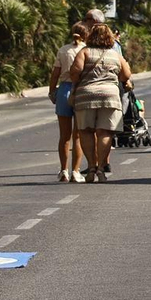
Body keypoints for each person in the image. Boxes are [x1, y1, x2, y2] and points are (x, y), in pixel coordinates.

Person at [69, 23, 131, 183]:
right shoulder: (115, 55)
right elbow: (126, 75)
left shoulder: (84, 52)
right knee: (105, 133)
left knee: (86, 131)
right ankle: (101, 169)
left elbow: (75, 72)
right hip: (110, 96)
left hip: (86, 96)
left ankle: (91, 168)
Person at [49, 22, 89, 182]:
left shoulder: (63, 50)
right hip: (80, 89)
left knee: (64, 136)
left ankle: (63, 170)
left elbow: (55, 73)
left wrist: (52, 91)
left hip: (64, 89)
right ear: (86, 35)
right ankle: (75, 171)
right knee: (77, 135)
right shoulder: (87, 50)